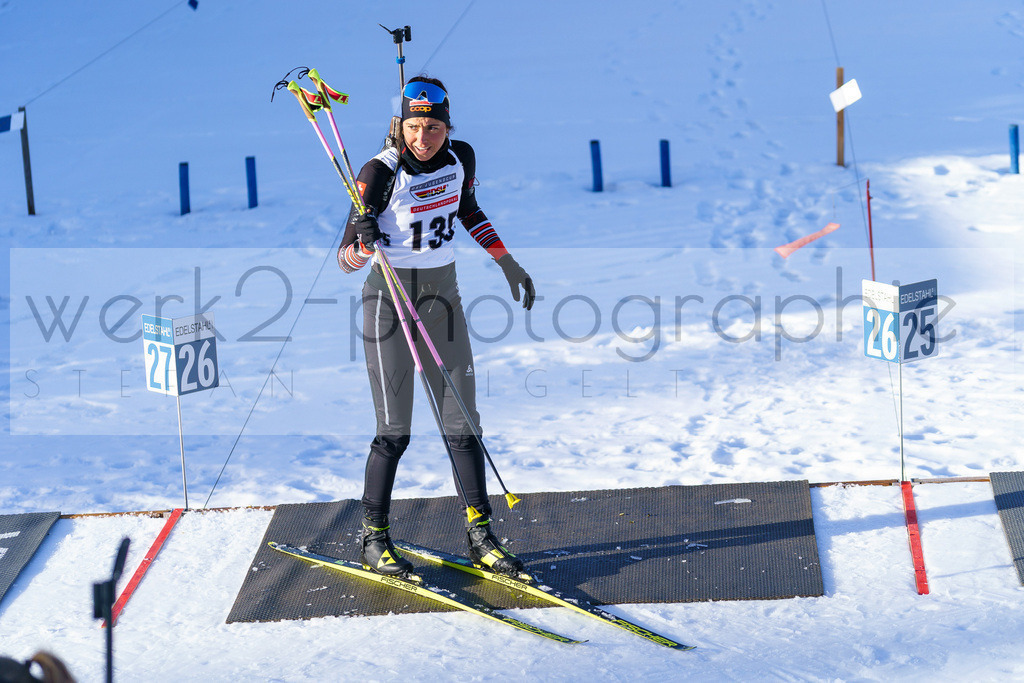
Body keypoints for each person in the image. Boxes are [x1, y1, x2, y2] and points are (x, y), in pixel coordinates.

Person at [337, 76, 536, 578]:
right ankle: (374, 539)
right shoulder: (379, 174)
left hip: (441, 303)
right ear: (399, 125)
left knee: (463, 426)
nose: (423, 137)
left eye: (433, 127)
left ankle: (480, 534)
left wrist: (506, 261)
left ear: (447, 127)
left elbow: (467, 210)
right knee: (395, 432)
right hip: (388, 308)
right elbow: (344, 261)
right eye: (414, 126)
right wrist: (363, 243)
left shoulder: (460, 158)